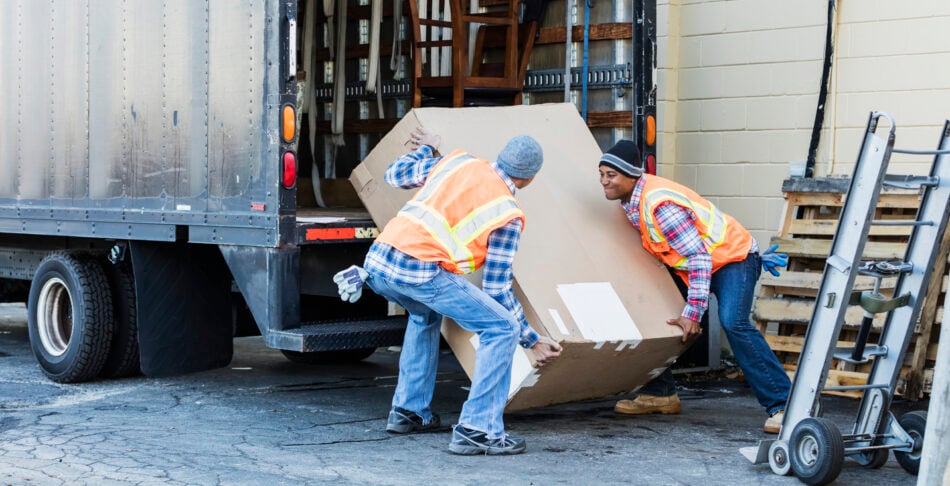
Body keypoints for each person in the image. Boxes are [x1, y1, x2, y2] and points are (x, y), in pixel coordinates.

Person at [334, 127, 562, 455]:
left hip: (380, 261)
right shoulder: (508, 212)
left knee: (423, 313)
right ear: (530, 178)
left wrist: (426, 150)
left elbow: (394, 174)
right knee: (502, 328)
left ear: (500, 157)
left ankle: (409, 412)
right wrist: (531, 338)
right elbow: (497, 288)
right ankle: (478, 430)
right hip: (419, 271)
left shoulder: (457, 161)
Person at [597, 140, 791, 434]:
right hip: (698, 266)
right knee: (650, 305)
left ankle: (784, 406)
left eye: (610, 175)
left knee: (733, 322)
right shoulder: (631, 201)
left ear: (631, 175)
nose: (603, 181)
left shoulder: (658, 205)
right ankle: (660, 393)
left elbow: (699, 258)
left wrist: (693, 312)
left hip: (732, 260)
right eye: (601, 174)